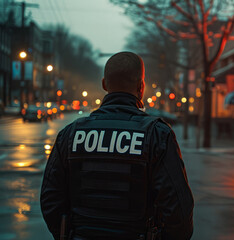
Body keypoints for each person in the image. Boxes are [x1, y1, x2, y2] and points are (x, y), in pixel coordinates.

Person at [40, 52, 194, 240]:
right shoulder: (157, 135)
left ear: (104, 84)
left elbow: (50, 200)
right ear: (141, 87)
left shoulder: (70, 134)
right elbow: (179, 212)